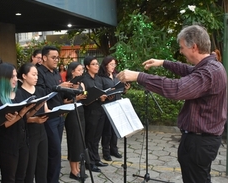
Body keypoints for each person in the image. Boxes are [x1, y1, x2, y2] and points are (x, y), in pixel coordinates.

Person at [116, 25, 227, 183]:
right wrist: (162, 62)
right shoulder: (210, 67)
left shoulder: (209, 72)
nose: (181, 51)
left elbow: (177, 89)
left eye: (182, 47)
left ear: (194, 47)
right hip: (199, 141)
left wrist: (139, 76)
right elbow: (187, 70)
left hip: (199, 143)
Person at [0, 63, 35, 183]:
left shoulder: (19, 93)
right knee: (10, 177)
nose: (15, 79)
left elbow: (24, 117)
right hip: (7, 143)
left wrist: (35, 107)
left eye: (16, 76)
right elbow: (3, 124)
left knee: (21, 176)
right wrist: (21, 114)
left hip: (23, 140)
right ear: (3, 78)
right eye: (12, 77)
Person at [36, 45, 72, 183]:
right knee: (54, 151)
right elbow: (41, 92)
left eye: (57, 57)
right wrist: (58, 88)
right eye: (53, 57)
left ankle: (54, 179)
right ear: (44, 58)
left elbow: (59, 93)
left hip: (59, 115)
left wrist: (69, 88)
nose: (56, 60)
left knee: (56, 152)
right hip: (48, 117)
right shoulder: (39, 73)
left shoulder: (56, 72)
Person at [16, 63, 49, 183]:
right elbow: (20, 117)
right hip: (29, 134)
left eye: (37, 75)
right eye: (33, 74)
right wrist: (34, 119)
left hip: (42, 131)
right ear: (24, 76)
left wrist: (55, 112)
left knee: (42, 165)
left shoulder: (40, 90)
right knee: (30, 167)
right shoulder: (19, 93)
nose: (36, 77)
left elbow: (46, 109)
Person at [81, 56, 108, 173]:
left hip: (100, 110)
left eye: (97, 64)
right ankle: (89, 162)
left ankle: (96, 159)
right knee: (90, 138)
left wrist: (105, 96)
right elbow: (85, 97)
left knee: (97, 137)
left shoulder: (99, 79)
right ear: (87, 67)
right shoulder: (84, 80)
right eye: (94, 64)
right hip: (90, 111)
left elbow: (101, 93)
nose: (97, 66)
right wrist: (97, 97)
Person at [64, 61, 88, 180]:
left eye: (82, 70)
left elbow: (85, 94)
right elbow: (63, 102)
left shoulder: (81, 84)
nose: (81, 72)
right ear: (72, 71)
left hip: (81, 112)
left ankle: (78, 168)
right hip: (72, 114)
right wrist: (76, 98)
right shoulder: (67, 84)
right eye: (79, 70)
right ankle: (73, 171)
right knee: (74, 142)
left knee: (80, 142)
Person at [98, 56, 123, 161]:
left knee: (115, 130)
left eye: (114, 64)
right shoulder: (101, 78)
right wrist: (108, 93)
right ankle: (106, 151)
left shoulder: (116, 76)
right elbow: (101, 92)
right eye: (111, 64)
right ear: (106, 65)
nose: (113, 66)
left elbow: (120, 89)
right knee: (107, 130)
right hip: (107, 106)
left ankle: (114, 149)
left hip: (117, 104)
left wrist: (124, 88)